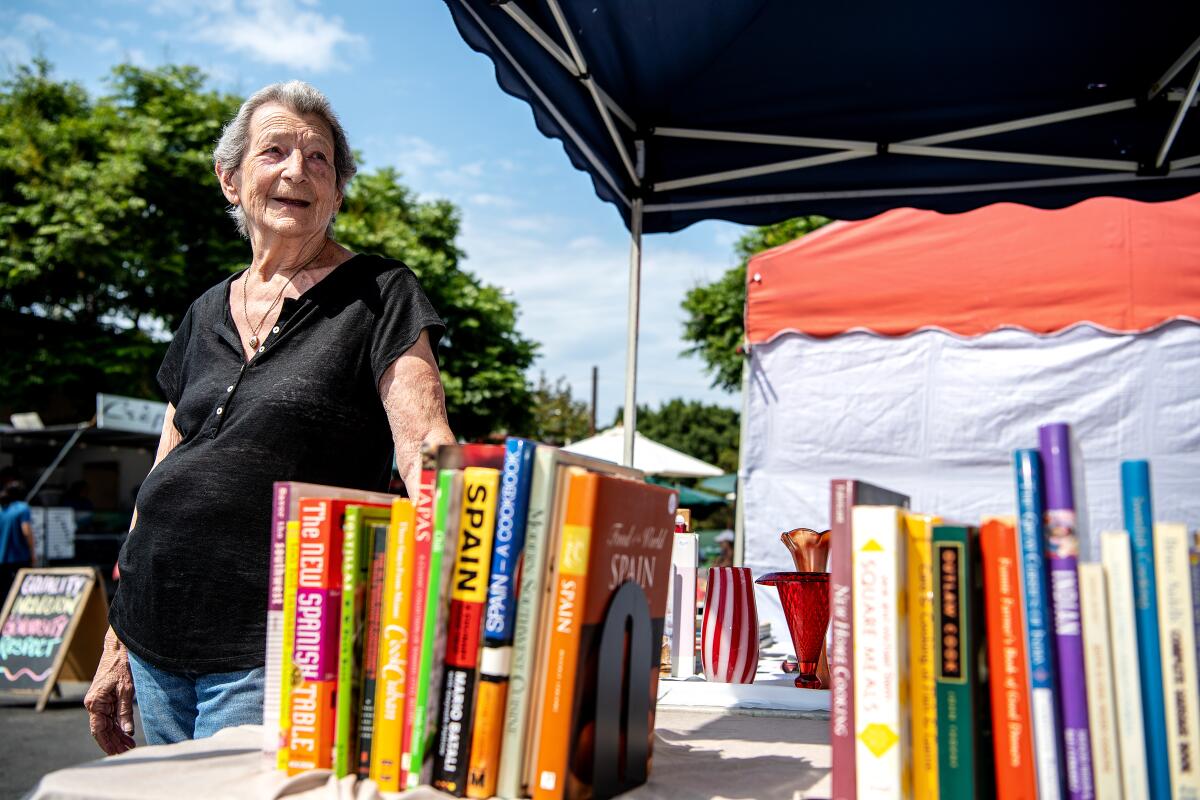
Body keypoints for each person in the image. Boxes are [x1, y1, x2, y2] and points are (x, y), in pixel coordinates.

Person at [83, 81, 456, 755]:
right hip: (151, 632)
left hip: (283, 644)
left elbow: (425, 446)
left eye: (320, 159)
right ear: (231, 180)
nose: (297, 171)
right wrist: (114, 636)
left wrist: (464, 583)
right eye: (275, 151)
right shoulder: (203, 312)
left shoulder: (380, 294)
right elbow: (163, 473)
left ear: (338, 192)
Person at [0, 480, 37, 600]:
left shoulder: (1, 509)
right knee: (21, 591)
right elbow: (26, 531)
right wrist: (32, 553)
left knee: (4, 592)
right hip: (19, 557)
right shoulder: (22, 508)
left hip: (2, 558)